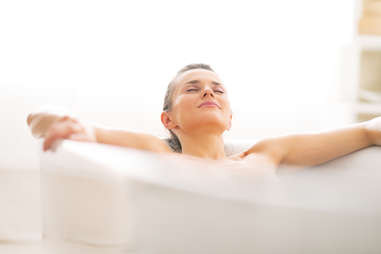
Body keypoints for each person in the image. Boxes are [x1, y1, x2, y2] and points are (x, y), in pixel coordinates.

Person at [27, 63, 381, 170]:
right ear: (169, 121)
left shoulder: (264, 154)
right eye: (193, 89)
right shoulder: (160, 154)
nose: (209, 92)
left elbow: (367, 132)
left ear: (230, 119)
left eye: (218, 89)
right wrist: (61, 122)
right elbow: (39, 119)